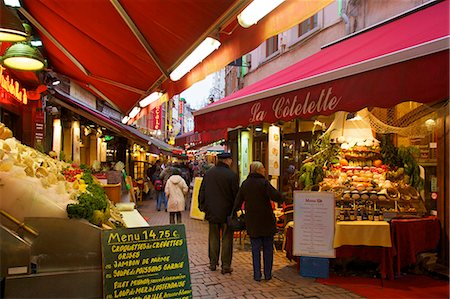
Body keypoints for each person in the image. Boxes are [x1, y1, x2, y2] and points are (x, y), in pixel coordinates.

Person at [233, 161, 283, 281]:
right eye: (263, 168)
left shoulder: (245, 184)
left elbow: (238, 201)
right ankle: (268, 274)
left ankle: (257, 275)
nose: (265, 170)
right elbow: (276, 196)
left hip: (252, 221)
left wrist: (234, 213)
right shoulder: (264, 183)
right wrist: (283, 197)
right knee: (268, 248)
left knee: (255, 249)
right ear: (258, 170)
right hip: (266, 220)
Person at [198, 152, 239, 274]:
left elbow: (202, 192)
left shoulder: (209, 174)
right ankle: (226, 265)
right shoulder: (232, 175)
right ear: (227, 160)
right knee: (227, 238)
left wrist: (203, 207)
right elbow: (236, 195)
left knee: (213, 237)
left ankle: (213, 263)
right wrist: (235, 210)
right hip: (227, 212)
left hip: (212, 212)